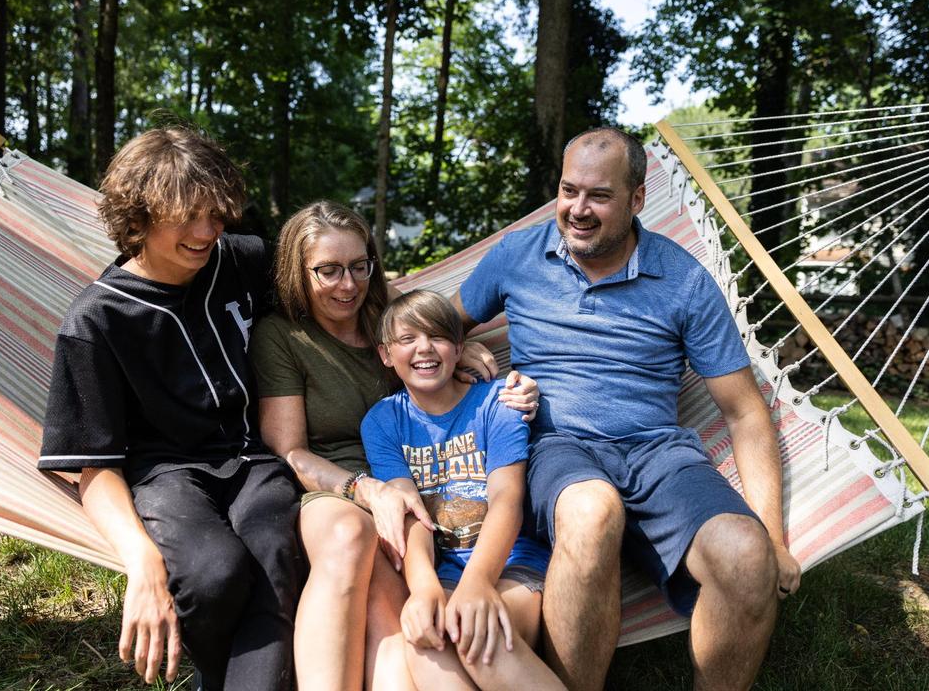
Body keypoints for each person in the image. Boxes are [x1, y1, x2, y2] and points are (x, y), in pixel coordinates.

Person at [451, 127, 803, 691]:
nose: (578, 209)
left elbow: (744, 412)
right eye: (569, 191)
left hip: (658, 454)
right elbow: (429, 328)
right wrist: (458, 345)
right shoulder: (518, 255)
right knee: (592, 512)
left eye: (599, 196)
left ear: (637, 199)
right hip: (555, 447)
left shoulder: (684, 279)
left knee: (745, 556)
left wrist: (774, 539)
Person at [37, 128, 300, 690]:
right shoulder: (97, 320)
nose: (206, 233)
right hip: (163, 474)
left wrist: (447, 332)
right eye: (186, 217)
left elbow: (338, 294)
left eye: (216, 214)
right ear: (138, 218)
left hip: (254, 459)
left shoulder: (244, 259)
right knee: (212, 575)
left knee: (277, 552)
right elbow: (94, 467)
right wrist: (141, 562)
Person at [250, 201, 538, 690]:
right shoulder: (283, 335)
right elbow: (291, 452)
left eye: (359, 266)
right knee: (352, 539)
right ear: (299, 271)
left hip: (419, 480)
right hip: (335, 483)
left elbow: (431, 329)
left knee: (410, 628)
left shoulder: (380, 302)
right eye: (328, 271)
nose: (348, 284)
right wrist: (366, 490)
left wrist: (462, 347)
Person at [361, 290, 563, 691]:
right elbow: (408, 511)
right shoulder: (383, 421)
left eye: (437, 336)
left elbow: (506, 500)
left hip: (511, 566)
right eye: (407, 339)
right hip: (445, 576)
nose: (424, 348)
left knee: (473, 636)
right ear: (385, 354)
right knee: (425, 646)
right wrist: (423, 588)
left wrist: (478, 582)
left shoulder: (497, 403)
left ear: (458, 348)